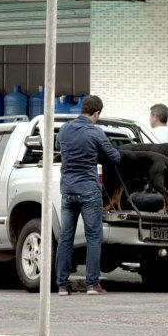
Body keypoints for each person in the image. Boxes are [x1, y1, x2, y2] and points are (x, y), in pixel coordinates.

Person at [55, 95, 121, 296]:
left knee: (65, 237)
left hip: (67, 190)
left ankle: (62, 285)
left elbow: (60, 149)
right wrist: (102, 149)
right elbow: (115, 158)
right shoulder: (96, 132)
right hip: (88, 191)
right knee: (94, 236)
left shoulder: (64, 129)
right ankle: (92, 284)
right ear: (97, 113)